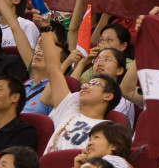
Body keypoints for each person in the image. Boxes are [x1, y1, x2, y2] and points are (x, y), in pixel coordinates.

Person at [36, 10, 120, 154]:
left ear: (108, 96)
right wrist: (45, 28)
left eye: (94, 84)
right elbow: (54, 70)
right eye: (88, 83)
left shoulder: (108, 130)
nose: (85, 85)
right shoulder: (68, 109)